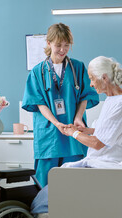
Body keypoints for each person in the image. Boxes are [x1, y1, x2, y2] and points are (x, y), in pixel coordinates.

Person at [31, 56, 122, 218]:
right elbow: (107, 131)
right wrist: (85, 130)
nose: (90, 84)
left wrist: (73, 134)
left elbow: (97, 143)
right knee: (53, 193)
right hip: (97, 161)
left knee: (43, 202)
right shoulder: (112, 101)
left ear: (104, 78)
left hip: (105, 164)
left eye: (92, 78)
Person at [22, 23, 99, 187]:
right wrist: (56, 123)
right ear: (49, 43)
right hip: (49, 133)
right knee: (45, 184)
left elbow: (85, 95)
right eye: (58, 45)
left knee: (76, 184)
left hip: (73, 133)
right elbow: (39, 103)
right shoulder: (38, 71)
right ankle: (45, 214)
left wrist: (78, 117)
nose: (63, 50)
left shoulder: (78, 67)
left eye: (66, 45)